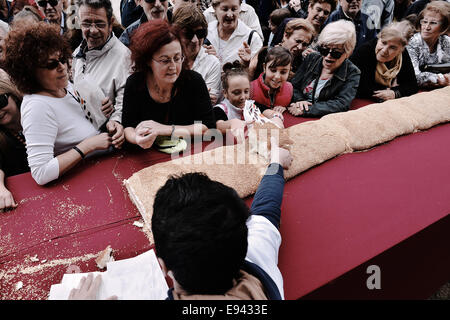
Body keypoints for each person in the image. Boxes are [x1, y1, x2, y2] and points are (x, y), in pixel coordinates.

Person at [69, 136, 293, 300]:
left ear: (163, 266)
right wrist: (275, 162)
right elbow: (267, 207)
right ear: (244, 242)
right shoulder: (258, 255)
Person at [3, 22, 113, 185]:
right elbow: (41, 173)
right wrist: (87, 146)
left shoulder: (64, 85)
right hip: (89, 181)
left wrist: (108, 117)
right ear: (29, 71)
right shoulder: (36, 106)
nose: (61, 67)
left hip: (106, 165)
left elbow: (80, 121)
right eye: (51, 64)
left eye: (62, 59)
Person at [122, 20, 216, 150]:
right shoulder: (135, 83)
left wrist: (163, 129)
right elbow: (128, 127)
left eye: (177, 58)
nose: (173, 67)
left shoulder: (194, 81)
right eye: (165, 60)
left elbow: (207, 128)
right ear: (148, 60)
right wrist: (137, 138)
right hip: (145, 156)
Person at [72, 0, 130, 150]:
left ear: (111, 23)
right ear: (79, 23)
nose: (93, 30)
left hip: (107, 145)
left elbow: (124, 102)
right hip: (82, 143)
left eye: (99, 23)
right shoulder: (77, 53)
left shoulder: (124, 57)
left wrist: (115, 121)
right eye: (86, 24)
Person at [289, 20, 361, 117]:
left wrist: (307, 110)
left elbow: (341, 104)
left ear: (348, 53)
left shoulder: (353, 72)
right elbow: (294, 86)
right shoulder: (312, 58)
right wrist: (300, 101)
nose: (328, 56)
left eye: (336, 53)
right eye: (324, 50)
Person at [351, 20, 418, 101]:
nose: (384, 50)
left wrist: (394, 93)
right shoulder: (364, 52)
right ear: (379, 38)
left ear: (401, 49)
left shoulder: (402, 54)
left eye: (392, 47)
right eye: (383, 43)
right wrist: (392, 89)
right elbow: (361, 88)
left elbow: (412, 85)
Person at [172, 3, 221, 105]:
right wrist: (197, 96)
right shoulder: (168, 59)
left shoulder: (212, 63)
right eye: (188, 34)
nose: (195, 40)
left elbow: (208, 105)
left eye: (200, 33)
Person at [249, 18, 316, 80]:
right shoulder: (266, 53)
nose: (300, 47)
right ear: (286, 36)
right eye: (297, 41)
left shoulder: (302, 63)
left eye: (305, 44)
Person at [0, 70, 28, 211]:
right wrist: (0, 189)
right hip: (28, 200)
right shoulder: (2, 138)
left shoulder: (37, 111)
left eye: (0, 101)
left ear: (13, 95)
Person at [205, 0, 263, 66]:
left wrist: (247, 65)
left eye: (234, 9)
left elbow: (259, 72)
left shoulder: (252, 38)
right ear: (214, 9)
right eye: (225, 9)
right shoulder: (205, 33)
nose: (230, 15)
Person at [406, 1, 450, 88]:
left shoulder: (446, 41)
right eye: (424, 21)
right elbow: (413, 76)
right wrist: (441, 78)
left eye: (433, 23)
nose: (427, 27)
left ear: (444, 27)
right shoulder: (413, 43)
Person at [251, 46, 293, 121]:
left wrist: (285, 108)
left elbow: (292, 108)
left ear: (289, 71)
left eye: (283, 72)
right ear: (264, 67)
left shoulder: (289, 89)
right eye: (273, 70)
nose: (277, 76)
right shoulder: (251, 89)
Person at [213, 61, 250, 138]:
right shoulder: (219, 110)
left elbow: (266, 111)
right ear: (225, 93)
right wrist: (231, 124)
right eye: (237, 93)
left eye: (246, 91)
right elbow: (219, 125)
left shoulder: (251, 105)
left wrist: (275, 116)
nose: (243, 97)